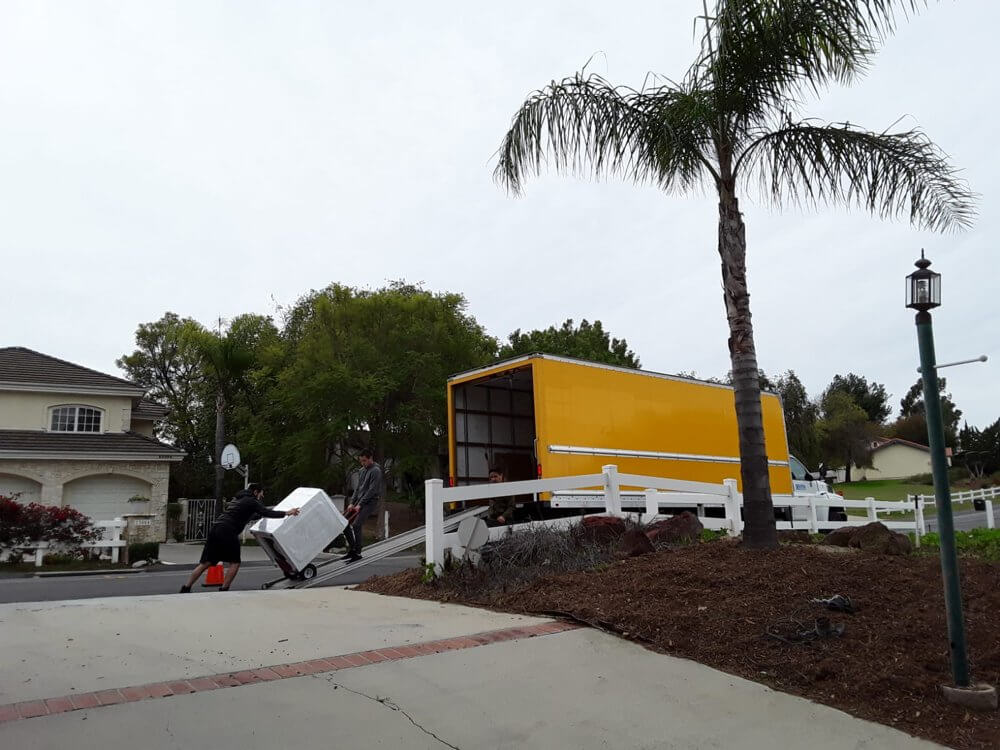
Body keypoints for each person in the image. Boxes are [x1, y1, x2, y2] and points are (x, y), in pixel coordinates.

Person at [179, 483, 299, 592]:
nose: (261, 496)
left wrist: (262, 515)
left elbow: (250, 515)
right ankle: (224, 589)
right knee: (235, 562)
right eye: (261, 493)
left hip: (216, 528)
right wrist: (286, 513)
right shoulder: (251, 501)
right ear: (256, 492)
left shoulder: (238, 499)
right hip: (228, 530)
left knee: (206, 562)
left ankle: (186, 587)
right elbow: (266, 512)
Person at [341, 449, 383, 563]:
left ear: (370, 458)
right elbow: (358, 488)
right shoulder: (362, 470)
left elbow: (372, 490)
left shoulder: (376, 471)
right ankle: (352, 550)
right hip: (359, 501)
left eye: (364, 461)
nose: (363, 463)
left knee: (356, 525)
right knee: (344, 523)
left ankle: (358, 553)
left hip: (370, 502)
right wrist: (351, 503)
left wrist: (360, 505)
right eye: (361, 461)